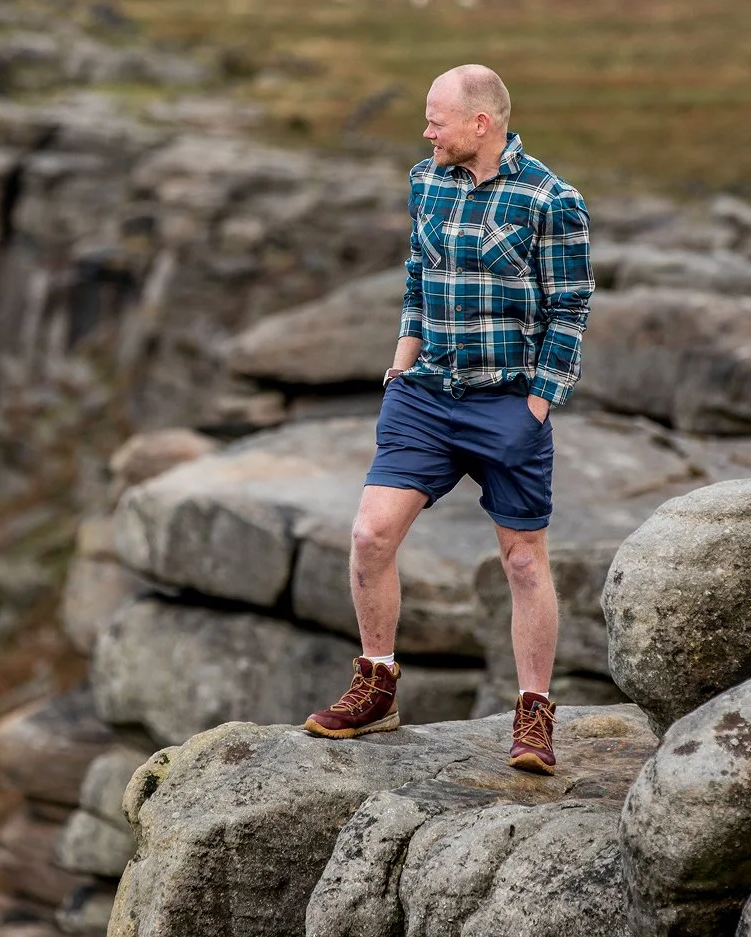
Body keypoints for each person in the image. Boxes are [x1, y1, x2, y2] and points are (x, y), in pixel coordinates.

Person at [303, 64, 594, 775]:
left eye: (437, 119)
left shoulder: (552, 201)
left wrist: (536, 406)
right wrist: (401, 358)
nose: (425, 130)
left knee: (523, 562)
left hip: (507, 403)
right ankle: (376, 685)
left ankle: (533, 714)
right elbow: (416, 273)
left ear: (480, 124)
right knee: (370, 534)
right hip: (425, 395)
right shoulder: (424, 179)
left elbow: (569, 310)